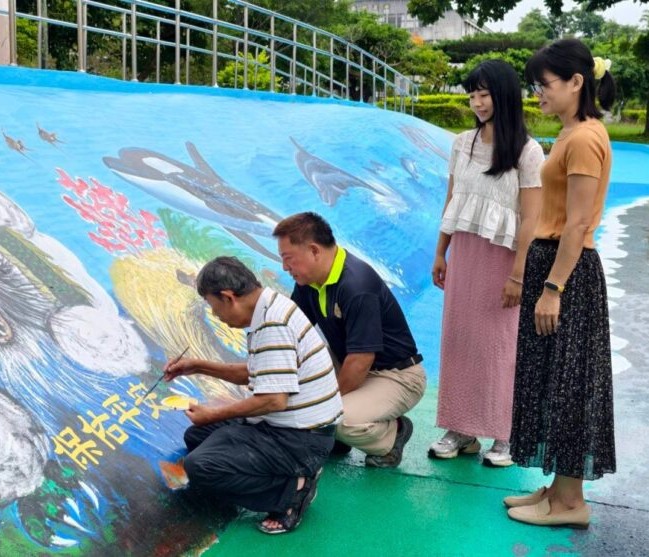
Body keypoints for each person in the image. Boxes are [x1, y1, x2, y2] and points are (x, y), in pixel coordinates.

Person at [504, 39, 616, 529]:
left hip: (566, 274)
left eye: (545, 84)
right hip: (554, 267)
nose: (538, 93)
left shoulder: (585, 138)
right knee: (555, 377)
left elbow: (577, 223)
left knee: (570, 382)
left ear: (576, 82)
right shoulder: (572, 132)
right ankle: (558, 488)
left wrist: (553, 289)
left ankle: (572, 501)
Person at [163, 256, 343, 534]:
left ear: (228, 297)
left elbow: (274, 400)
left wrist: (214, 413)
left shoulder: (272, 325)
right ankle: (287, 475)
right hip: (293, 428)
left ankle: (291, 492)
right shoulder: (270, 305)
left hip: (301, 440)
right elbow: (260, 372)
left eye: (213, 306)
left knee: (200, 467)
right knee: (197, 436)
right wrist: (197, 366)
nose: (216, 315)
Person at [429, 60, 545, 467]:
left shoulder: (528, 151)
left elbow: (531, 219)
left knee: (498, 347)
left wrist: (519, 275)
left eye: (484, 94)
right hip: (464, 252)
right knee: (459, 340)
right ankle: (460, 429)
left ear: (504, 95)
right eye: (472, 95)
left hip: (503, 260)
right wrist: (441, 251)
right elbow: (452, 200)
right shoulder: (462, 143)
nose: (477, 103)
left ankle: (504, 433)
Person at [272, 212, 426, 468]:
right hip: (349, 363)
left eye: (288, 258)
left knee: (334, 417)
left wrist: (321, 407)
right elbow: (291, 333)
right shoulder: (308, 280)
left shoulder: (356, 285)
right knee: (297, 365)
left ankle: (393, 433)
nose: (284, 268)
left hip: (396, 376)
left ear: (314, 250)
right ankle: (336, 436)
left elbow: (361, 360)